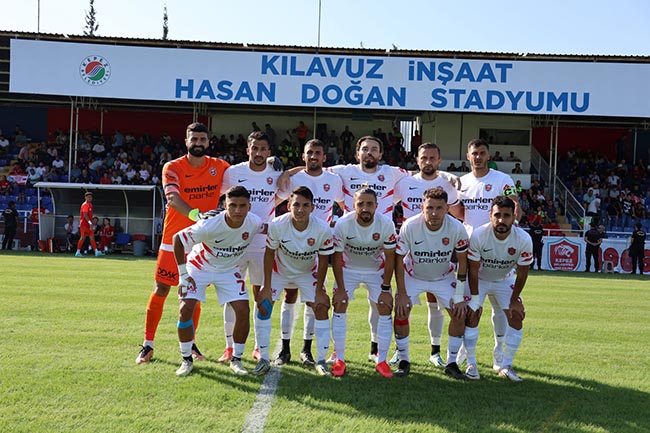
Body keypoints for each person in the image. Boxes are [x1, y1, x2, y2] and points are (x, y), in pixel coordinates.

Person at [136, 122, 230, 365]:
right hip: (173, 239)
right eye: (194, 139)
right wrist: (197, 216)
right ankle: (148, 344)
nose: (198, 143)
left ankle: (191, 343)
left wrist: (273, 165)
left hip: (200, 243)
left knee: (193, 295)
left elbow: (248, 175)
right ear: (186, 141)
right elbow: (172, 198)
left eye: (202, 139)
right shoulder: (173, 167)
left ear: (208, 142)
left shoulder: (220, 166)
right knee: (161, 289)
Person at [172, 186, 264, 377]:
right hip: (199, 267)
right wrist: (183, 275)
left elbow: (272, 229)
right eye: (233, 205)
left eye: (242, 206)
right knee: (185, 309)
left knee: (243, 310)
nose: (237, 210)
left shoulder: (254, 222)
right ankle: (186, 359)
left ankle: (236, 360)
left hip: (228, 270)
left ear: (249, 207)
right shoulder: (209, 225)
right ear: (224, 205)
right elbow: (178, 239)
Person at [391, 142, 463, 368]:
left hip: (441, 265)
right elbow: (384, 201)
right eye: (424, 158)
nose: (428, 161)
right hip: (413, 262)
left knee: (447, 308)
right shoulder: (405, 183)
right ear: (417, 159)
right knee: (400, 308)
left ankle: (441, 355)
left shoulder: (448, 185)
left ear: (439, 160)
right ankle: (401, 355)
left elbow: (461, 214)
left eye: (433, 158)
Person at [274, 139, 344, 367]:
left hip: (318, 247)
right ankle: (285, 348)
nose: (313, 156)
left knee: (314, 298)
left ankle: (306, 349)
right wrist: (288, 172)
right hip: (293, 245)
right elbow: (275, 201)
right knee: (289, 296)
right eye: (309, 153)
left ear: (324, 157)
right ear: (303, 156)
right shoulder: (293, 179)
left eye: (317, 153)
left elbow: (346, 205)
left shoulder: (334, 179)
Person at [216, 131, 284, 364]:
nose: (258, 153)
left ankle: (258, 346)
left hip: (262, 245)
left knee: (261, 294)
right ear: (248, 149)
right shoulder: (234, 172)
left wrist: (288, 171)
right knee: (231, 294)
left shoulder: (276, 173)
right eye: (254, 148)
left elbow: (294, 182)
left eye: (263, 149)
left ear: (269, 151)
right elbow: (222, 198)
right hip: (234, 243)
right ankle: (229, 347)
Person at [459, 138, 522, 375]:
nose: (478, 157)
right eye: (474, 153)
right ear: (468, 156)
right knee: (470, 308)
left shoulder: (502, 179)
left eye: (482, 153)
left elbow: (514, 206)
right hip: (472, 252)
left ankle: (499, 353)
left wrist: (510, 230)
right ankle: (465, 352)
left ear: (488, 156)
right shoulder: (462, 183)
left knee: (501, 308)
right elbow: (459, 211)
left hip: (499, 252)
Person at [257, 186, 334, 376]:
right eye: (296, 205)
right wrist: (266, 286)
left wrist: (319, 290)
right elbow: (269, 254)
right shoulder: (277, 224)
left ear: (312, 207)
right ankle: (265, 358)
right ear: (288, 205)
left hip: (307, 272)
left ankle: (319, 359)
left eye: (305, 205)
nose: (300, 209)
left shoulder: (322, 228)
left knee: (321, 306)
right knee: (264, 305)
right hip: (280, 271)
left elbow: (324, 260)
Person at [393, 187, 470, 379]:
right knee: (401, 310)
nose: (434, 213)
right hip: (413, 275)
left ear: (447, 209)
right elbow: (398, 259)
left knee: (459, 313)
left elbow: (463, 262)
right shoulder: (410, 225)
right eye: (430, 208)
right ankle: (404, 360)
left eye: (439, 208)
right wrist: (401, 293)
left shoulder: (456, 227)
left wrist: (460, 295)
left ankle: (451, 363)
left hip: (443, 277)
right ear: (422, 208)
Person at [464, 195, 533, 381]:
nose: (501, 220)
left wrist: (514, 300)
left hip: (505, 279)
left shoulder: (523, 239)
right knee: (471, 313)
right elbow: (472, 271)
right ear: (490, 215)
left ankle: (506, 364)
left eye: (506, 215)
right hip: (480, 279)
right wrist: (475, 299)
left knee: (516, 314)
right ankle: (471, 363)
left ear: (514, 216)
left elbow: (522, 274)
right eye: (497, 215)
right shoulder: (479, 235)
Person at [330, 188, 397, 377]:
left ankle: (382, 361)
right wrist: (340, 288)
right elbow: (336, 258)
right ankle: (339, 359)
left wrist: (386, 288)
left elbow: (390, 258)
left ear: (376, 205)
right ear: (353, 205)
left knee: (384, 306)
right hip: (348, 269)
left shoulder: (386, 224)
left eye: (369, 204)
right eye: (361, 204)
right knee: (340, 303)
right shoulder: (343, 224)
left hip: (375, 270)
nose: (365, 208)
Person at [75, 192, 104, 257]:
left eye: (91, 197)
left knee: (92, 237)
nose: (90, 198)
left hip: (88, 224)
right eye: (88, 197)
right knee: (83, 237)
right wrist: (90, 223)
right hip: (84, 224)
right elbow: (85, 215)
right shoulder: (85, 204)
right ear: (85, 197)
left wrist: (90, 223)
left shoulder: (90, 204)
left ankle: (96, 252)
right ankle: (78, 252)